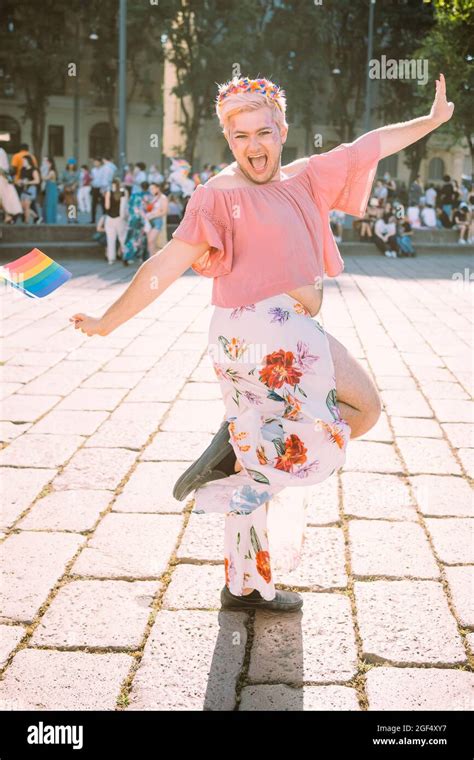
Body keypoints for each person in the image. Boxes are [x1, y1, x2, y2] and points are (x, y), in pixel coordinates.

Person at [70, 72, 455, 611]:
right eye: (241, 136)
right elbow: (164, 265)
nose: (254, 145)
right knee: (362, 408)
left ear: (282, 130)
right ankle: (237, 459)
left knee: (263, 454)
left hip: (261, 335)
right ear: (229, 140)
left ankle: (244, 584)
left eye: (263, 133)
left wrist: (433, 120)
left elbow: (373, 143)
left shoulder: (304, 179)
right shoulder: (217, 195)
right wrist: (108, 322)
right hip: (264, 332)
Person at [122, 180, 150, 265]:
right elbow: (148, 209)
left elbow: (129, 207)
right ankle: (141, 257)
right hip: (142, 220)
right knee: (141, 238)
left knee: (131, 237)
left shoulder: (134, 195)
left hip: (132, 219)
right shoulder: (148, 196)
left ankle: (127, 256)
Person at [103, 178, 129, 263]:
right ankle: (126, 256)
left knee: (110, 240)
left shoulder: (109, 192)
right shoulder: (124, 192)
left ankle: (111, 259)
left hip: (110, 218)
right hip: (120, 218)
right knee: (123, 238)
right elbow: (126, 206)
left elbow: (107, 207)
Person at [145, 182, 168, 258]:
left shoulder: (163, 198)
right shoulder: (152, 197)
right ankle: (151, 259)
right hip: (149, 221)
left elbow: (164, 211)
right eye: (150, 189)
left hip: (157, 221)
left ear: (157, 188)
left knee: (151, 240)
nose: (151, 190)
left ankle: (153, 259)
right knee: (151, 243)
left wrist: (153, 215)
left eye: (152, 188)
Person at [0, 146, 22, 223]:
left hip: (2, 179)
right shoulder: (2, 151)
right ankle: (8, 215)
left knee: (4, 198)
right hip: (4, 179)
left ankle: (8, 215)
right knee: (5, 198)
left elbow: (1, 168)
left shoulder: (1, 152)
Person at [18, 154, 41, 224]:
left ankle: (26, 222)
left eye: (24, 161)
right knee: (22, 206)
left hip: (31, 189)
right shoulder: (22, 169)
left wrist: (27, 182)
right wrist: (20, 182)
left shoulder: (33, 170)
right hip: (24, 189)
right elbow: (21, 179)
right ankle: (36, 217)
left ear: (28, 161)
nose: (23, 162)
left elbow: (37, 180)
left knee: (27, 205)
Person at [60, 158, 80, 222]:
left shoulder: (77, 172)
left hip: (74, 190)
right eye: (70, 164)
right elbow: (60, 180)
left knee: (74, 203)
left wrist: (75, 185)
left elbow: (78, 180)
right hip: (67, 189)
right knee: (69, 204)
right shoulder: (64, 172)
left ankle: (75, 218)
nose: (71, 165)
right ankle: (69, 218)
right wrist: (66, 186)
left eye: (72, 164)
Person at [42, 157, 59, 224]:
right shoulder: (49, 171)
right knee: (47, 205)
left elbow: (45, 178)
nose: (44, 163)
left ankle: (50, 221)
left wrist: (42, 171)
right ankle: (47, 221)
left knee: (50, 206)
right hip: (49, 191)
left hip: (52, 191)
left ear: (50, 163)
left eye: (46, 162)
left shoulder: (51, 172)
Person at [90, 158, 104, 224]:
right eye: (94, 162)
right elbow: (92, 179)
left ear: (99, 162)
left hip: (101, 188)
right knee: (93, 204)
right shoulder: (93, 170)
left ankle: (104, 220)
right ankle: (93, 220)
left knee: (103, 204)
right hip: (94, 188)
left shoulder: (103, 169)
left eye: (96, 162)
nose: (95, 163)